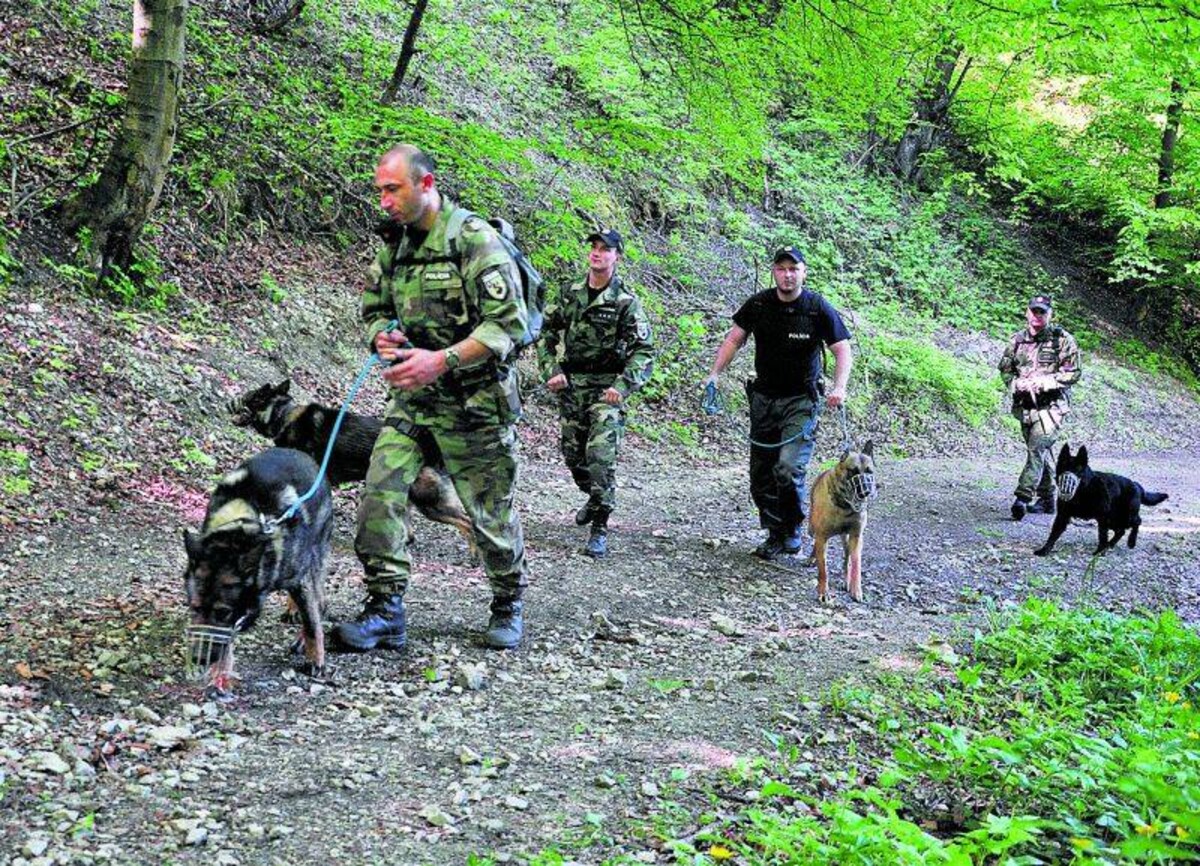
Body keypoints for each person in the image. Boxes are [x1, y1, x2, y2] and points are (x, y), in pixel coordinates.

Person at [333, 144, 530, 652]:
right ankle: (385, 609)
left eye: (392, 189)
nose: (383, 201)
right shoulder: (394, 247)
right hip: (413, 402)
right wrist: (382, 337)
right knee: (379, 489)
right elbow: (374, 309)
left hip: (475, 401)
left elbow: (506, 326)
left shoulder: (473, 241)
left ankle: (507, 599)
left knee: (489, 512)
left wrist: (439, 360)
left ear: (426, 184)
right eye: (379, 190)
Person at [704, 246, 853, 559]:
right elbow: (734, 339)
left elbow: (841, 349)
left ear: (803, 272)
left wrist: (840, 387)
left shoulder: (816, 308)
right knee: (761, 476)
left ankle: (793, 528)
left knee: (786, 468)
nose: (788, 275)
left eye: (793, 269)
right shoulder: (759, 304)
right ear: (774, 271)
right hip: (763, 400)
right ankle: (775, 534)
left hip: (801, 401)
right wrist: (714, 375)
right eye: (782, 268)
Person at [540, 229, 655, 557]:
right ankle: (594, 497)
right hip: (573, 386)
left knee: (600, 456)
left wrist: (622, 386)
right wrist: (551, 369)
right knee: (574, 458)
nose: (597, 253)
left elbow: (644, 350)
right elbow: (546, 331)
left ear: (617, 256)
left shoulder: (626, 302)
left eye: (606, 249)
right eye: (594, 247)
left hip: (606, 391)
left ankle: (600, 525)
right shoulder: (571, 293)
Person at [998, 294, 1081, 520]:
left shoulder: (1062, 340)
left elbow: (1073, 373)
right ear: (1027, 312)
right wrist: (1017, 384)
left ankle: (1022, 497)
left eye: (1042, 312)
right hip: (1025, 408)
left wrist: (1045, 382)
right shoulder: (1016, 340)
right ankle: (1047, 499)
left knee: (1037, 449)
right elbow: (1006, 370)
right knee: (1040, 452)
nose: (1037, 316)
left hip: (1052, 408)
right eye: (1034, 311)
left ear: (1050, 314)